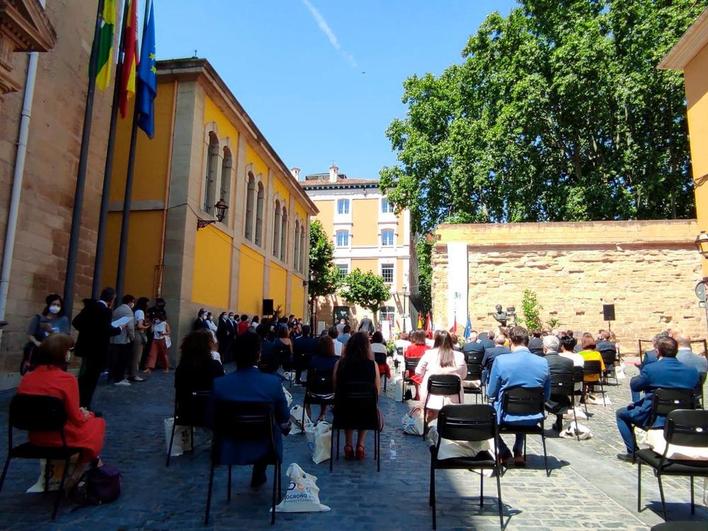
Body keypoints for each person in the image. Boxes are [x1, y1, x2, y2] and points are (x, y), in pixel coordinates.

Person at [210, 331, 290, 489]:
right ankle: (260, 469)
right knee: (278, 426)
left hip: (228, 446)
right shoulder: (272, 383)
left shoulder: (219, 384)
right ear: (258, 355)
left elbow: (210, 419)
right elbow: (284, 416)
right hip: (266, 448)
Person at [18, 334, 106, 467]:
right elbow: (76, 418)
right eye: (69, 350)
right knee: (98, 423)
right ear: (64, 353)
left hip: (35, 435)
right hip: (60, 436)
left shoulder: (27, 377)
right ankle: (82, 470)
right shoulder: (67, 380)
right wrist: (87, 414)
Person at [615, 336, 699, 461]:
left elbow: (636, 386)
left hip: (652, 417)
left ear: (658, 351)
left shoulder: (651, 369)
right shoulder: (692, 371)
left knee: (621, 414)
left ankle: (632, 453)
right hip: (681, 417)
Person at [487, 326, 550, 466]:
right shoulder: (543, 362)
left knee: (487, 416)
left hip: (506, 415)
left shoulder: (501, 361)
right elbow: (546, 395)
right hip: (533, 417)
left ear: (510, 341)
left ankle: (504, 451)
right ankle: (518, 451)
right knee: (522, 406)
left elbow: (490, 393)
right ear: (527, 341)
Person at [333, 332, 380, 460]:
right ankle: (360, 445)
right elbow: (377, 391)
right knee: (365, 404)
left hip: (344, 409)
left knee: (348, 403)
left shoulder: (340, 364)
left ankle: (348, 445)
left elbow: (335, 387)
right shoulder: (372, 365)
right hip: (367, 411)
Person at [73, 288, 122, 409]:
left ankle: (77, 402)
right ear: (112, 299)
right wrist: (119, 329)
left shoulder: (90, 307)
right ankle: (84, 404)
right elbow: (106, 330)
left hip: (85, 347)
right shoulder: (106, 311)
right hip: (97, 350)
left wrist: (87, 332)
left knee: (84, 376)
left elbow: (76, 322)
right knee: (91, 379)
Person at [415, 330, 467, 422]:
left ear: (436, 340)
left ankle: (425, 422)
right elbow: (463, 375)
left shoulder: (429, 354)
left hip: (431, 396)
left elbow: (418, 371)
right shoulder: (460, 356)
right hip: (454, 396)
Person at [175, 330, 225, 424]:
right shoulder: (215, 365)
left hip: (186, 412)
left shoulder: (182, 367)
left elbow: (179, 391)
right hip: (209, 413)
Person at [22, 294, 71, 374]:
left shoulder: (63, 320)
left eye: (58, 305)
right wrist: (36, 342)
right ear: (49, 305)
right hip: (40, 348)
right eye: (54, 304)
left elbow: (66, 337)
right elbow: (30, 334)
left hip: (56, 350)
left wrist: (51, 331)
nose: (56, 307)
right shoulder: (38, 318)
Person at [542, 335, 574, 431]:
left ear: (545, 348)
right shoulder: (569, 362)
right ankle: (559, 420)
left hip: (546, 397)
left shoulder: (542, 361)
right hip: (564, 396)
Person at [307, 335, 339, 421]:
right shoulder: (335, 361)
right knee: (326, 385)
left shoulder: (313, 359)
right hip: (329, 394)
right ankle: (322, 414)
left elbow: (309, 378)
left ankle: (308, 417)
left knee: (307, 398)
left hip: (314, 392)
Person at [109, 294, 136, 386]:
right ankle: (119, 378)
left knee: (115, 359)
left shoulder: (117, 309)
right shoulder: (128, 312)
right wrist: (132, 337)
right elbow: (130, 327)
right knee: (122, 360)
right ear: (130, 302)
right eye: (133, 302)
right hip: (123, 339)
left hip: (114, 338)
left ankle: (113, 376)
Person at [129, 297, 149, 382]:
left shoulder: (134, 310)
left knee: (133, 356)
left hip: (133, 334)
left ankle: (131, 374)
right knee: (137, 356)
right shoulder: (140, 312)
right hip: (138, 334)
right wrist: (147, 326)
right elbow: (140, 326)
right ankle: (134, 375)